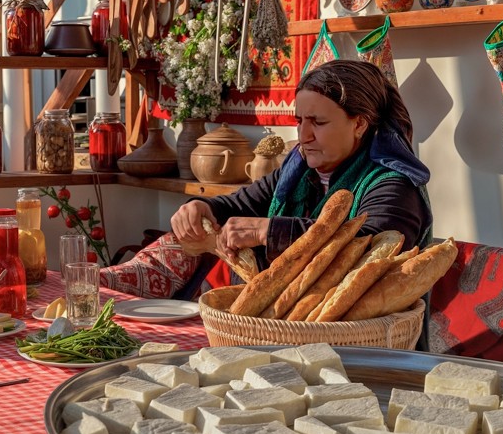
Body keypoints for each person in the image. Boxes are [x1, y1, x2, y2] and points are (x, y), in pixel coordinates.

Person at [102, 60, 431, 299]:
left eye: (317, 122)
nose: (303, 135)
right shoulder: (298, 169)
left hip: (364, 340)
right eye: (299, 120)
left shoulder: (393, 184)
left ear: (359, 124)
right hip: (291, 322)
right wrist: (200, 207)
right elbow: (237, 204)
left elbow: (369, 248)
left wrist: (266, 230)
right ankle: (111, 284)